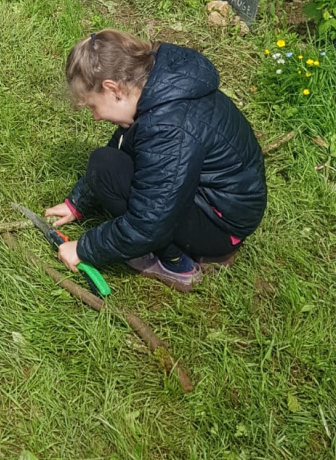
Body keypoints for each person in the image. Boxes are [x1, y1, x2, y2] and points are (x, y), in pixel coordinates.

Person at [45, 30, 266, 293]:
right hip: (221, 204)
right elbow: (123, 146)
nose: (95, 117)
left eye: (93, 106)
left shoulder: (168, 126)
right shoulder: (158, 86)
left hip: (220, 226)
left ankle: (175, 264)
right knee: (105, 164)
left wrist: (84, 248)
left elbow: (149, 224)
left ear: (113, 89)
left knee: (107, 167)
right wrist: (78, 202)